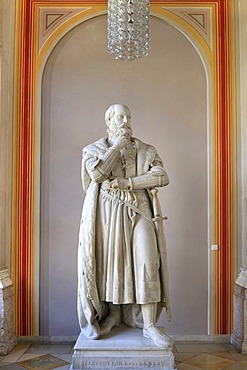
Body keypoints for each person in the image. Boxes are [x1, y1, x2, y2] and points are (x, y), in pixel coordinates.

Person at [77, 103, 173, 348]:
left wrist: (127, 183)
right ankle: (113, 316)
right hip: (108, 215)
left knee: (148, 262)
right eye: (120, 116)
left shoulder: (145, 149)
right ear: (108, 120)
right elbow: (97, 174)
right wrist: (117, 147)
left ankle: (149, 324)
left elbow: (162, 176)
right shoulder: (93, 149)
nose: (125, 120)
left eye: (128, 116)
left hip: (139, 208)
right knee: (114, 267)